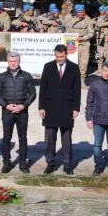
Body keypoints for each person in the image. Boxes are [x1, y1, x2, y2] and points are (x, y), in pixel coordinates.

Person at [39, 44, 81, 175]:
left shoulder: (74, 68)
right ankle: (50, 163)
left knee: (66, 139)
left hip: (67, 108)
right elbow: (43, 88)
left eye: (61, 57)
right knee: (50, 139)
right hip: (50, 108)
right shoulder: (48, 66)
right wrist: (41, 106)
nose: (59, 59)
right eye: (57, 56)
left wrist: (76, 108)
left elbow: (77, 89)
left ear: (66, 54)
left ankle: (67, 165)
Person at [0, 51, 36, 174]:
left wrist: (24, 105)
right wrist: (6, 105)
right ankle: (6, 163)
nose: (13, 63)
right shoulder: (1, 77)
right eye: (11, 61)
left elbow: (33, 93)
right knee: (6, 138)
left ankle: (23, 164)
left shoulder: (27, 76)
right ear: (7, 61)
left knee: (23, 138)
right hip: (7, 112)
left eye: (15, 61)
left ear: (19, 61)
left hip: (22, 112)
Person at [67, 4, 94, 86]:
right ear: (76, 12)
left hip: (84, 44)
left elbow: (91, 33)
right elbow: (67, 31)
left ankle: (82, 82)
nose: (80, 13)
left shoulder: (89, 20)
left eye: (82, 12)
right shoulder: (71, 20)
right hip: (73, 43)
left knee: (84, 63)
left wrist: (83, 38)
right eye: (78, 12)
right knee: (73, 63)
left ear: (84, 11)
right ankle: (72, 82)